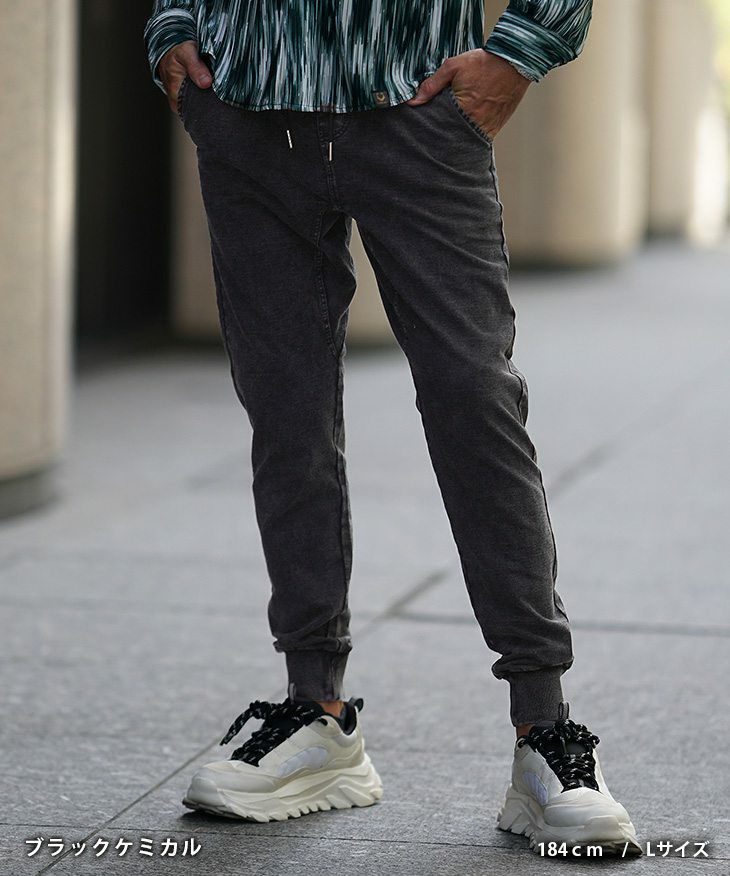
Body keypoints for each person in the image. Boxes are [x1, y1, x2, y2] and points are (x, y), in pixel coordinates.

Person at [144, 0, 641, 856]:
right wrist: (172, 24)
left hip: (416, 112)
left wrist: (521, 50)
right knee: (286, 413)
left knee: (473, 400)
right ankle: (315, 713)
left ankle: (545, 730)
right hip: (248, 112)